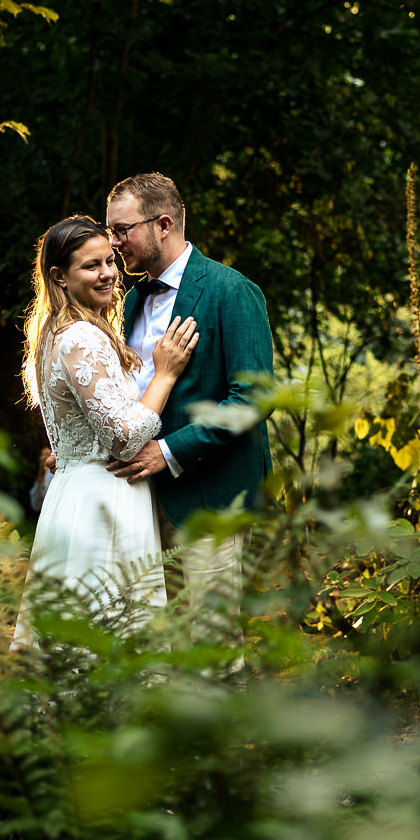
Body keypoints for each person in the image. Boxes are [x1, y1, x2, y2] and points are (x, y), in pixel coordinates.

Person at [103, 173, 275, 640]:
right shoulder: (131, 300)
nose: (114, 243)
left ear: (163, 224)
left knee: (210, 647)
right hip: (140, 503)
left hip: (209, 498)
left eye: (123, 230)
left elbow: (254, 398)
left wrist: (168, 451)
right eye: (111, 232)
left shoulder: (231, 290)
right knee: (158, 643)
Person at [15, 214, 199, 645]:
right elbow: (125, 438)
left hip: (80, 491)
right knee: (109, 642)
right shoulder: (81, 336)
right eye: (91, 265)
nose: (108, 273)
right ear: (59, 277)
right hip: (103, 500)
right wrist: (165, 374)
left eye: (109, 260)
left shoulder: (57, 333)